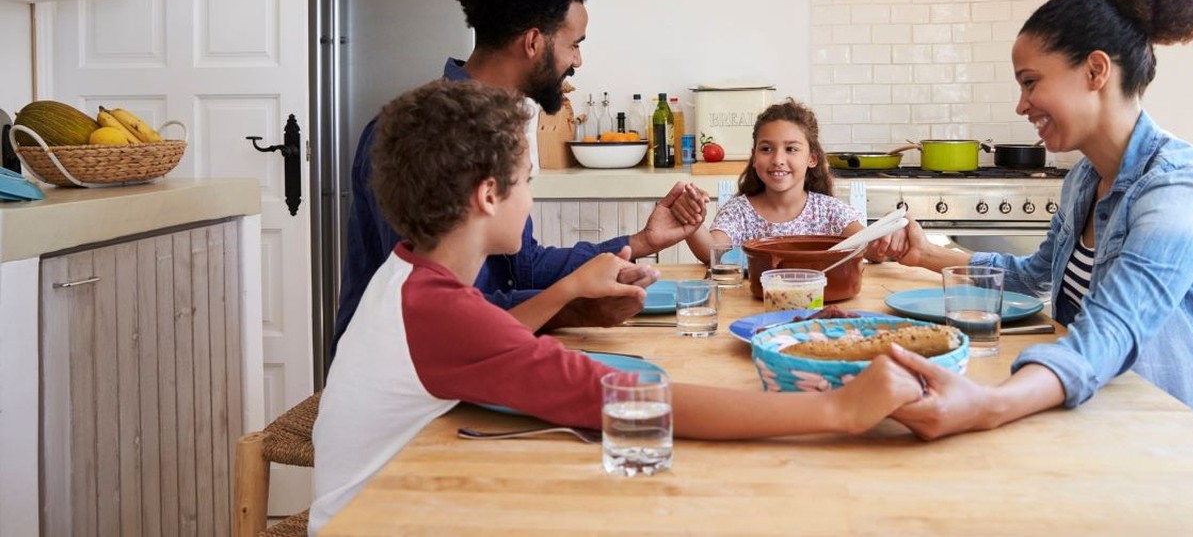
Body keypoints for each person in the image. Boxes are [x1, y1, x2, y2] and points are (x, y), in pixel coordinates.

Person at [308, 80, 925, 532]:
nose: (531, 195)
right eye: (528, 180)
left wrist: (570, 293)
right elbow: (627, 398)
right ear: (489, 194)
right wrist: (838, 409)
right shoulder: (440, 311)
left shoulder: (409, 272)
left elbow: (487, 339)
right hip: (375, 518)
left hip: (400, 502)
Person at [882, 0, 1193, 462]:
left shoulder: (1180, 191)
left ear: (1096, 70)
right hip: (1126, 431)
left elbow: (1113, 328)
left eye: (1030, 82)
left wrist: (988, 405)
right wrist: (928, 254)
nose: (1021, 105)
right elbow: (1034, 276)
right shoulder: (1084, 179)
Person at [334, 0, 705, 355]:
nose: (578, 61)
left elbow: (520, 267)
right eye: (575, 43)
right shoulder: (422, 135)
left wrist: (641, 241)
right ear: (533, 43)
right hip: (407, 380)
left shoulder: (497, 128)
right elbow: (440, 314)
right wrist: (572, 305)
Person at [684, 99, 891, 262]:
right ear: (754, 157)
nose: (777, 160)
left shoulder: (830, 211)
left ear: (812, 158)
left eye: (791, 149)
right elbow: (712, 253)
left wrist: (889, 230)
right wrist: (692, 222)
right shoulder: (739, 212)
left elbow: (872, 250)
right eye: (766, 149)